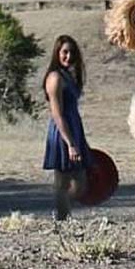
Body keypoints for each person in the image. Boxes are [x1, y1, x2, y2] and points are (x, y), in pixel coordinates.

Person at [42, 35, 93, 220]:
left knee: (79, 182)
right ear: (57, 53)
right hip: (62, 131)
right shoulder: (55, 78)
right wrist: (70, 143)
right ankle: (61, 219)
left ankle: (61, 213)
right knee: (65, 180)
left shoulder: (68, 76)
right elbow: (57, 113)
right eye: (65, 52)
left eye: (72, 52)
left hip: (74, 127)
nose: (68, 56)